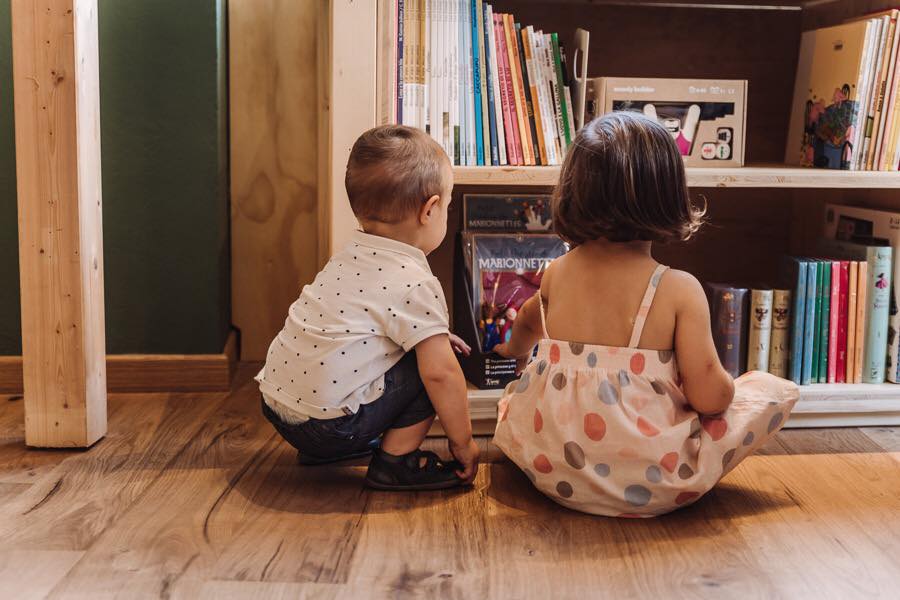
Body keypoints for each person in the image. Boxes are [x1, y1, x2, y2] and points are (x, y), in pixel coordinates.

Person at [492, 112, 798, 516]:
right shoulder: (677, 289)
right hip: (651, 478)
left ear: (572, 193)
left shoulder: (557, 273)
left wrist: (511, 349)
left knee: (515, 400)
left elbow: (529, 320)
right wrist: (732, 388)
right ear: (669, 197)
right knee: (771, 391)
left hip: (552, 467)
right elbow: (709, 397)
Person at [257, 125, 479, 491]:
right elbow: (442, 376)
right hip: (328, 426)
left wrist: (434, 337)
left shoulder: (349, 256)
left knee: (431, 352)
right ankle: (394, 463)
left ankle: (332, 450)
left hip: (280, 410)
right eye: (448, 204)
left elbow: (359, 331)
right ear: (431, 210)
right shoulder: (416, 280)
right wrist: (464, 442)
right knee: (434, 371)